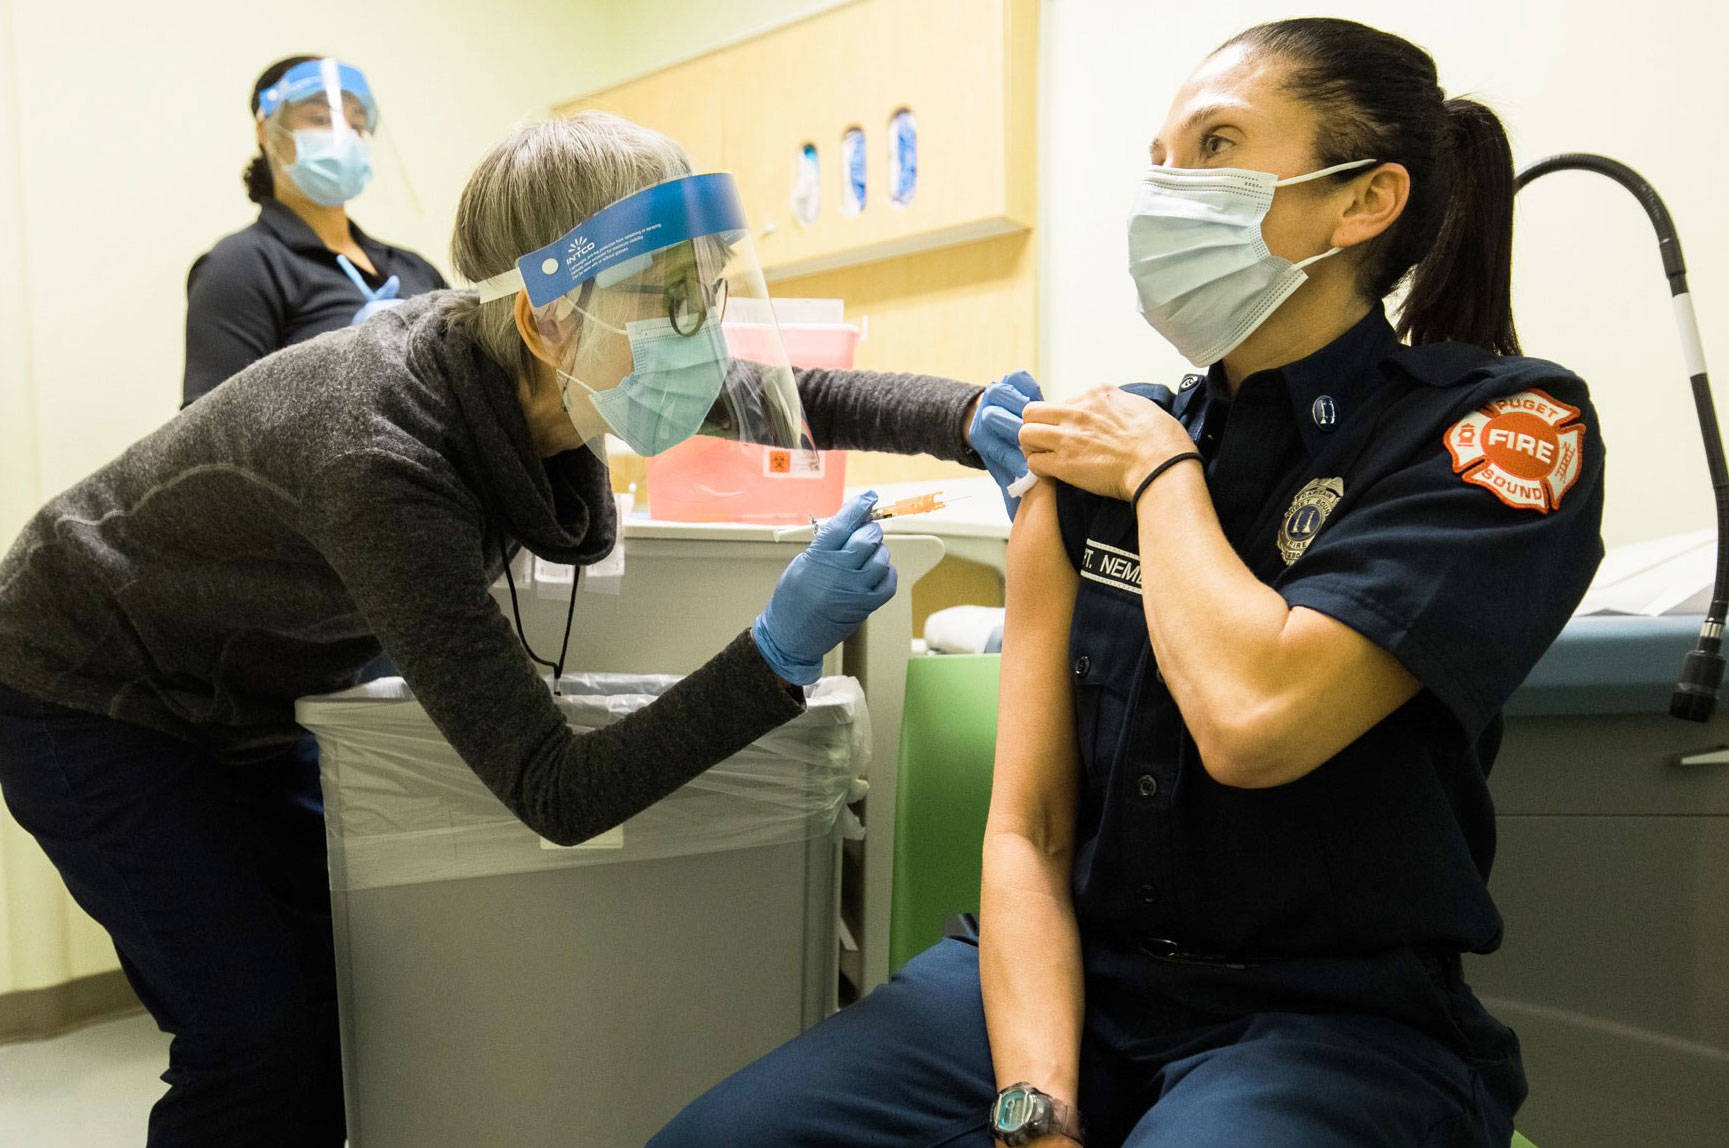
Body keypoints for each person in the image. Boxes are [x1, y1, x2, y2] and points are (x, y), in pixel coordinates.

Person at [652, 17, 1604, 1148]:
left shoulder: (1495, 427)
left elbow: (1256, 719)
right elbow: (1030, 831)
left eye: (1214, 145)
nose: (1165, 188)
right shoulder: (1087, 464)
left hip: (1329, 1022)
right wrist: (1035, 1105)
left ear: (1364, 200)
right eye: (1159, 158)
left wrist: (1161, 472)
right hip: (1066, 983)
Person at [0, 112, 1031, 1146]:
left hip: (232, 687)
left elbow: (785, 396)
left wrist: (965, 415)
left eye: (708, 291)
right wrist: (774, 652)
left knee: (335, 997)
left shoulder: (551, 355)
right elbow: (558, 790)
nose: (700, 332)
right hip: (83, 685)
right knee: (258, 1039)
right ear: (544, 319)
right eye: (666, 296)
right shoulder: (383, 456)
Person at [182, 55, 446, 406]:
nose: (345, 138)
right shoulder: (241, 265)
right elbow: (208, 434)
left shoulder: (413, 267)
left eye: (357, 125)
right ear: (266, 132)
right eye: (321, 119)